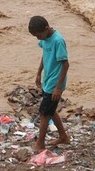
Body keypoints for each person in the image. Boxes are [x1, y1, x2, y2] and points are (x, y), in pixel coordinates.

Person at [28, 15, 70, 151]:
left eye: (38, 35)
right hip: (48, 79)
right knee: (51, 111)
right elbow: (44, 55)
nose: (38, 38)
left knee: (44, 113)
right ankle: (63, 137)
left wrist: (58, 87)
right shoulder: (45, 39)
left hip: (55, 82)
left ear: (46, 29)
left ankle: (40, 143)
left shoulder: (57, 41)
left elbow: (65, 64)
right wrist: (39, 72)